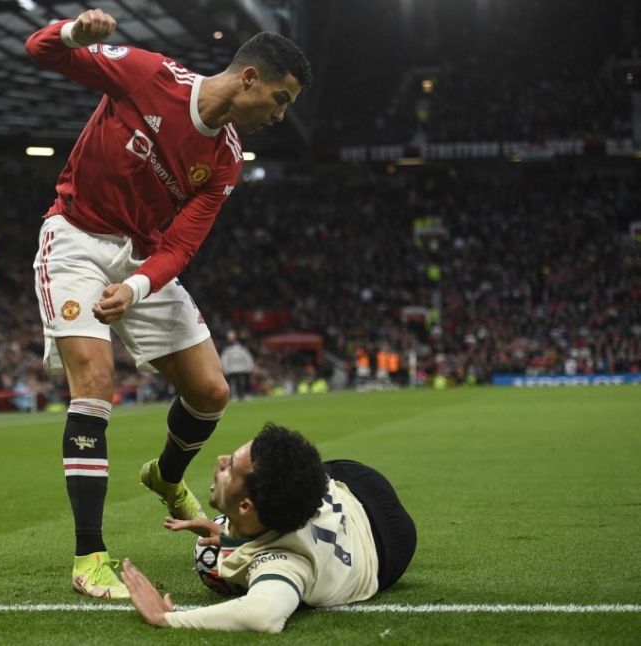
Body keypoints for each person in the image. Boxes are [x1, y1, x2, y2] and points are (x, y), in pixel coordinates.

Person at [25, 9, 312, 599]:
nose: (280, 116)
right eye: (279, 99)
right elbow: (41, 50)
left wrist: (135, 287)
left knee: (211, 392)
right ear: (249, 78)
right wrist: (76, 33)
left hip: (142, 262)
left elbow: (182, 244)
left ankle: (165, 474)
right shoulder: (150, 76)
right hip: (75, 239)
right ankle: (89, 557)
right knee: (96, 382)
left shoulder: (228, 157)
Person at [120, 423, 417, 632]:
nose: (220, 460)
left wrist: (165, 619)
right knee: (287, 472)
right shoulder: (286, 500)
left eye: (229, 468)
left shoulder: (287, 563)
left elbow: (263, 615)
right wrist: (231, 536)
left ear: (246, 507)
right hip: (353, 482)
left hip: (389, 545)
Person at [219, 330, 254, 401]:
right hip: (231, 370)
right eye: (229, 336)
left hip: (242, 369)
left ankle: (244, 395)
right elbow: (224, 359)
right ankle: (233, 396)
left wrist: (249, 368)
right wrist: (225, 369)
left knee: (242, 383)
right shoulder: (225, 348)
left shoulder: (242, 347)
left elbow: (247, 357)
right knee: (232, 383)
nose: (231, 338)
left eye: (232, 336)